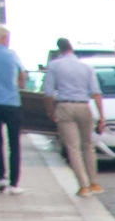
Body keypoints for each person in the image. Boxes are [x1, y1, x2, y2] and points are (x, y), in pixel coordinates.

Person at [43, 38, 104, 196]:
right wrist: (102, 117)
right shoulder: (86, 67)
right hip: (84, 105)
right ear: (72, 48)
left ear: (59, 49)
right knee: (88, 145)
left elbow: (48, 93)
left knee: (73, 147)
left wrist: (50, 112)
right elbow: (96, 93)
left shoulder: (54, 66)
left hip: (65, 106)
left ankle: (83, 186)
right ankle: (94, 183)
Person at [0, 27, 22, 194]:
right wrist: (18, 87)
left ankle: (1, 178)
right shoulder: (12, 55)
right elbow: (22, 74)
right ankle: (14, 183)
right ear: (3, 38)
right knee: (14, 144)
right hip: (11, 104)